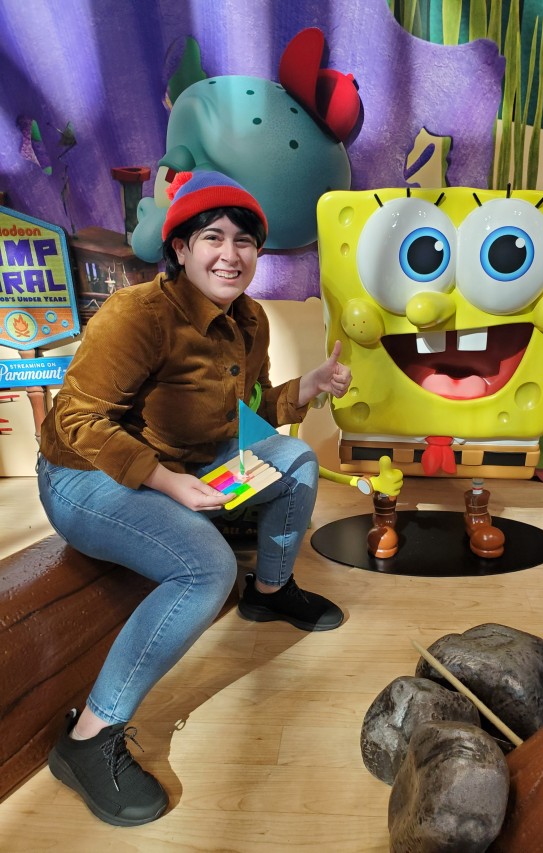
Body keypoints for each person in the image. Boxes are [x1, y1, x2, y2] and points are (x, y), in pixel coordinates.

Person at [37, 170, 351, 827]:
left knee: (293, 458)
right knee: (204, 567)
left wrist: (313, 383)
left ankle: (269, 594)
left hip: (185, 468)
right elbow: (74, 423)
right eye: (212, 236)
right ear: (180, 248)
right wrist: (163, 479)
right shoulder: (137, 314)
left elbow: (253, 411)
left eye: (245, 241)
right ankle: (89, 738)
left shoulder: (250, 320)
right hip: (84, 475)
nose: (230, 253)